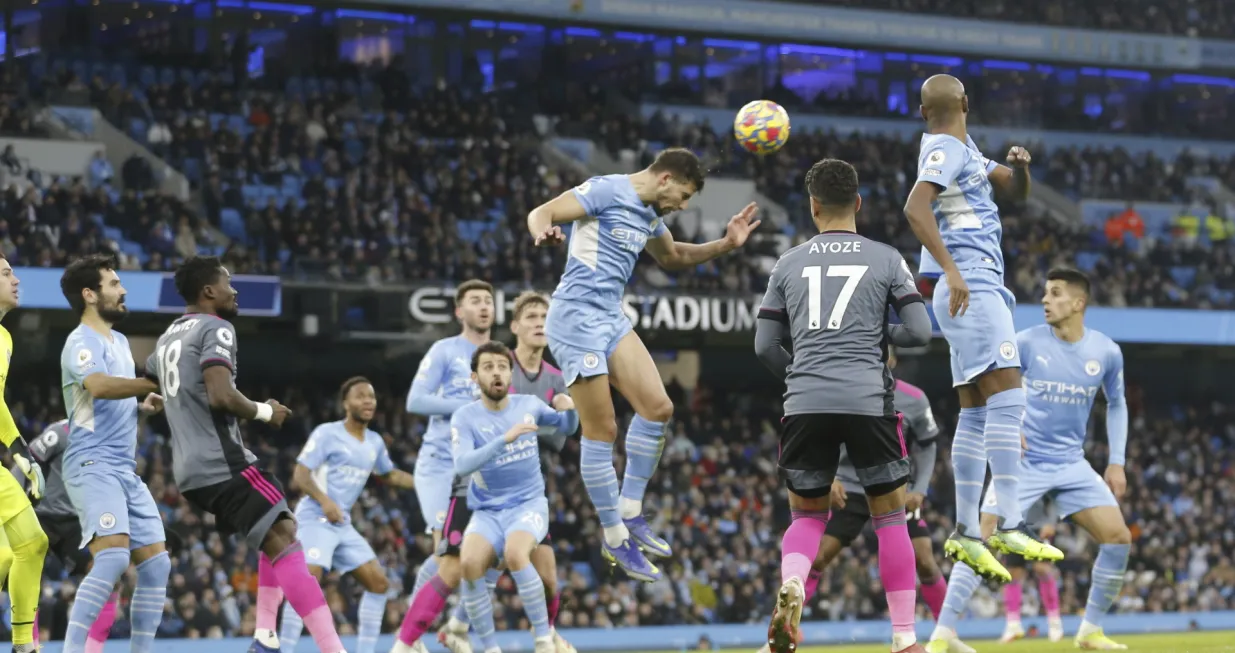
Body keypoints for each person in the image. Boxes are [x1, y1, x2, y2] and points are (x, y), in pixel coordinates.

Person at [528, 147, 759, 580]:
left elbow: (672, 257)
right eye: (685, 195)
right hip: (576, 318)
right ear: (666, 178)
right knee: (603, 430)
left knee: (659, 407)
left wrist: (727, 244)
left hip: (610, 316)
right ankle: (614, 537)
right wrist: (545, 231)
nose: (684, 206)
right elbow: (542, 211)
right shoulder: (606, 190)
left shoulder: (651, 215)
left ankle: (631, 511)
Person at [754, 159, 932, 653]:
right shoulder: (887, 258)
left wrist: (804, 371)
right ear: (858, 203)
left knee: (806, 519)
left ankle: (792, 584)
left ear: (813, 207)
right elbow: (918, 332)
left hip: (806, 400)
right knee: (891, 519)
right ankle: (904, 638)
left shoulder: (787, 262)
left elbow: (764, 346)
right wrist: (877, 332)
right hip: (867, 398)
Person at [902, 73, 1062, 580]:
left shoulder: (963, 148)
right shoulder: (945, 150)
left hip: (964, 287)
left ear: (922, 110)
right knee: (1009, 394)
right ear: (966, 103)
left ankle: (968, 530)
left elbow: (1013, 193)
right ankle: (1010, 521)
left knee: (974, 409)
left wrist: (1021, 169)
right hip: (970, 281)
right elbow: (914, 206)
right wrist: (950, 269)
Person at [145, 255, 347, 653]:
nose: (234, 290)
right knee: (286, 535)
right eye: (227, 282)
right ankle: (329, 648)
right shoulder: (216, 328)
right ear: (208, 291)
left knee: (274, 530)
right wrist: (266, 411)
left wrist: (155, 398)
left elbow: (153, 376)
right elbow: (221, 395)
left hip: (189, 471)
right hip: (221, 460)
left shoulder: (169, 335)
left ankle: (265, 638)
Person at [926, 268, 1131, 653]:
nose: (1045, 300)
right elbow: (988, 385)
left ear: (1078, 303)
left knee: (1118, 537)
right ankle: (943, 634)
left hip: (1071, 463)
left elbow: (1117, 403)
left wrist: (1116, 461)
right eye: (1045, 293)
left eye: (1054, 294)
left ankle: (1090, 631)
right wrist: (1008, 423)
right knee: (979, 538)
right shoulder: (1025, 343)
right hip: (1022, 463)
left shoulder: (1105, 351)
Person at [394, 293, 575, 653]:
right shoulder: (497, 364)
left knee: (547, 576)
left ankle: (465, 627)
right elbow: (458, 418)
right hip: (475, 485)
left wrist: (564, 413)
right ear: (515, 328)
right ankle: (408, 642)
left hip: (523, 490)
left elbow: (559, 436)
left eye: (546, 317)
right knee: (455, 566)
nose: (541, 323)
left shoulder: (554, 379)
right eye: (533, 317)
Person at [57, 255, 170, 653]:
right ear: (90, 294)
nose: (122, 290)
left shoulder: (119, 341)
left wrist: (141, 403)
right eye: (114, 283)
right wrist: (146, 382)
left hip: (123, 469)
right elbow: (100, 386)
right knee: (112, 559)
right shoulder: (80, 342)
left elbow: (101, 402)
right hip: (91, 463)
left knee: (157, 565)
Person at [13, 420, 186, 652]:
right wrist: (13, 505)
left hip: (75, 520)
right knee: (27, 576)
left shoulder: (111, 439)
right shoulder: (62, 432)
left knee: (110, 574)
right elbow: (26, 459)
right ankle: (28, 645)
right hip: (39, 513)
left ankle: (93, 649)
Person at [451, 341, 579, 653]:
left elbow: (568, 427)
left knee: (516, 553)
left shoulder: (529, 406)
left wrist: (570, 408)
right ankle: (490, 648)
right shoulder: (465, 418)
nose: (496, 373)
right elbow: (463, 464)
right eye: (488, 367)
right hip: (487, 512)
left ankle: (543, 640)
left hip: (528, 504)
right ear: (474, 377)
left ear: (510, 374)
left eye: (502, 366)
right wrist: (503, 440)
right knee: (468, 564)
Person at [807, 348, 949, 619]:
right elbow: (821, 439)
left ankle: (947, 630)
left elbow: (928, 445)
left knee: (926, 561)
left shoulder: (915, 399)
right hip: (850, 488)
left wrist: (919, 489)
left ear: (891, 360)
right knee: (816, 557)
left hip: (895, 489)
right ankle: (784, 631)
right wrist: (831, 476)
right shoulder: (841, 394)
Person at [279, 377, 415, 653]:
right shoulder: (327, 433)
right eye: (360, 396)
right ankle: (283, 649)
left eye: (371, 397)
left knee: (379, 584)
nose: (367, 401)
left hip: (342, 524)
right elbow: (300, 475)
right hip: (315, 516)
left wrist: (425, 482)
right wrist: (325, 500)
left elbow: (389, 474)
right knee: (307, 583)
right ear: (346, 403)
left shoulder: (374, 442)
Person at [405, 280, 493, 601]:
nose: (484, 306)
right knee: (447, 552)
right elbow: (415, 402)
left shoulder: (499, 358)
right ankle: (411, 633)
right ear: (459, 312)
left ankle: (446, 629)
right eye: (475, 301)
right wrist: (468, 407)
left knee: (479, 556)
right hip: (440, 467)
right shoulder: (445, 350)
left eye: (488, 301)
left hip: (480, 472)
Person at [0, 254, 47, 653]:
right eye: (5, 273)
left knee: (32, 545)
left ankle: (22, 646)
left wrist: (21, 451)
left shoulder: (5, 339)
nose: (16, 279)